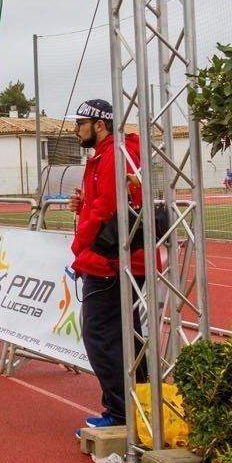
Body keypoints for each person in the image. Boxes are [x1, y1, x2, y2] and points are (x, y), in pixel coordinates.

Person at [67, 99, 149, 435]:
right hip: (117, 258)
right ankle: (137, 404)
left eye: (80, 124)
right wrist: (83, 205)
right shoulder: (107, 155)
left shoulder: (114, 154)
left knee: (100, 336)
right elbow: (103, 204)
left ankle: (120, 411)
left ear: (99, 124)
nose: (76, 130)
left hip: (110, 261)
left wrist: (82, 245)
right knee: (126, 336)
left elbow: (111, 209)